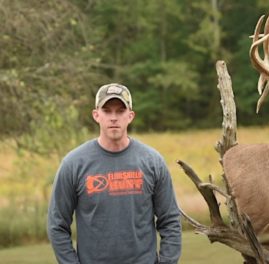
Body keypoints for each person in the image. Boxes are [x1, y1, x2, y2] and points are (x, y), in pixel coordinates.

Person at [47, 83, 182, 264]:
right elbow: (57, 225)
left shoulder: (152, 162)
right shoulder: (73, 164)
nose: (113, 118)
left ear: (130, 116)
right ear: (96, 115)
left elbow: (170, 221)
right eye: (107, 111)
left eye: (120, 111)